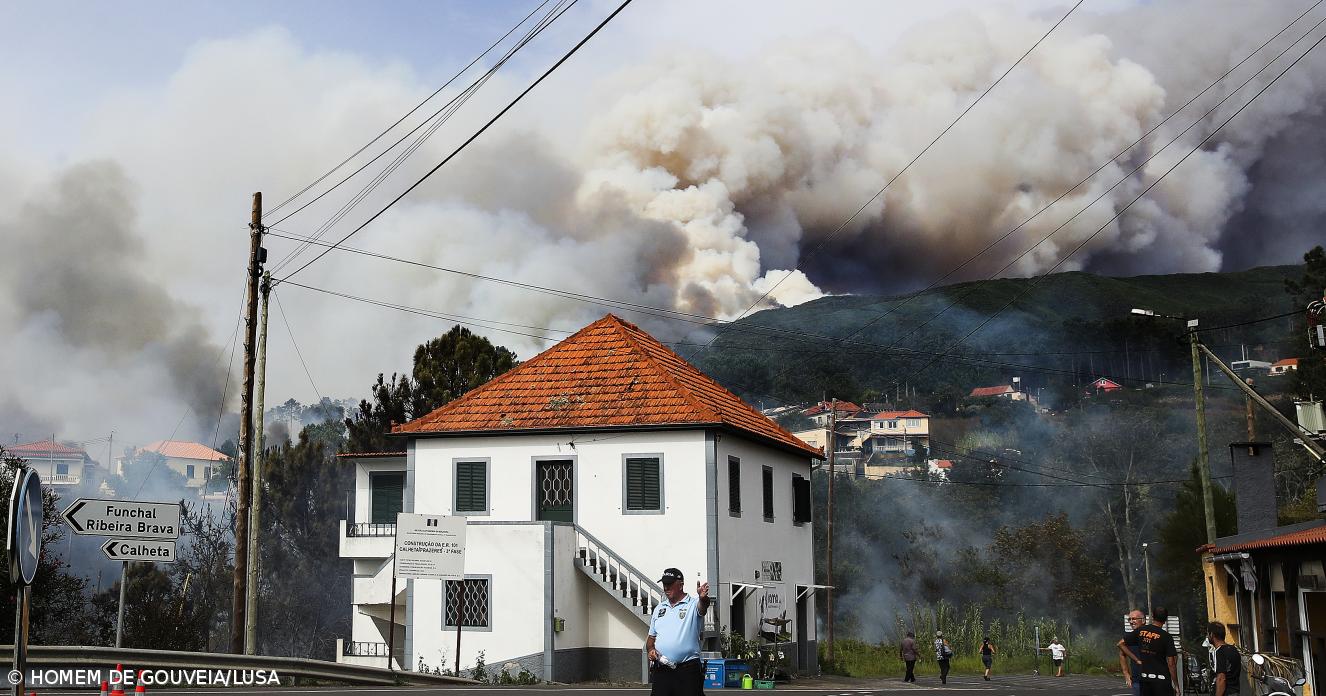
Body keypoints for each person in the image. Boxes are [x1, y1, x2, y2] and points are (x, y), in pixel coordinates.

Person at [645, 568, 712, 696]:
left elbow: (703, 607)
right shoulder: (659, 608)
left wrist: (703, 598)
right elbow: (650, 640)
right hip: (662, 671)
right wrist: (650, 651)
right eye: (664, 584)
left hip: (687, 670)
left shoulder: (692, 604)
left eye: (669, 584)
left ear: (681, 585)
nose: (666, 587)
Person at [1134, 607, 1179, 696]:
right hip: (1162, 682)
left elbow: (1121, 644)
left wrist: (1135, 659)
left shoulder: (1141, 631)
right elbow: (1171, 663)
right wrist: (1176, 685)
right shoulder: (1166, 637)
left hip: (1145, 680)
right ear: (1165, 619)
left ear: (1153, 617)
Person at [1118, 609, 1147, 696]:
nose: (1131, 622)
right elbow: (1121, 654)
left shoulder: (1150, 635)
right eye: (1129, 619)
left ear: (1143, 620)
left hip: (1153, 680)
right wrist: (1126, 673)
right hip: (1137, 679)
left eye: (1134, 619)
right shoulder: (1128, 637)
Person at [1209, 621, 1241, 696]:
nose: (1207, 637)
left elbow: (1221, 679)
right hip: (1235, 692)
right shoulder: (1233, 649)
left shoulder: (1220, 652)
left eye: (1208, 634)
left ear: (1212, 634)